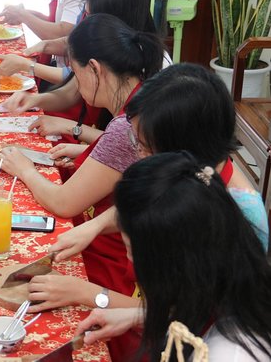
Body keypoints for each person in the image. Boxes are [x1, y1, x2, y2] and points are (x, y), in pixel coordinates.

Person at [0, 13, 164, 361]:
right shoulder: (143, 104)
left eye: (76, 72)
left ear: (94, 68)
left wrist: (26, 170)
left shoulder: (128, 129)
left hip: (126, 276)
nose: (75, 84)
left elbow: (63, 204)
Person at [49, 63, 269, 264]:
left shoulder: (236, 219)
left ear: (182, 147)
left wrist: (92, 295)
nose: (138, 154)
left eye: (145, 147)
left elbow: (182, 307)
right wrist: (95, 226)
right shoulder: (197, 169)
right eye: (136, 141)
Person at [79, 152, 271, 361]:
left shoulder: (230, 354)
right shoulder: (230, 278)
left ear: (172, 262)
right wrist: (138, 316)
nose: (130, 261)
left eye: (132, 251)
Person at [2, 0, 159, 151]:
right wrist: (35, 100)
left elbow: (131, 147)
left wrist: (73, 129)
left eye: (92, 16)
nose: (87, 23)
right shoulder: (104, 50)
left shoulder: (152, 65)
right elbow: (72, 91)